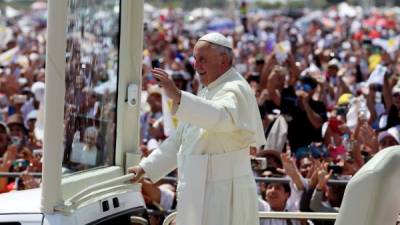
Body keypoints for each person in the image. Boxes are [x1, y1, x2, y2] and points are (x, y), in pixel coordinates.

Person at [128, 32, 266, 225]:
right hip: (198, 191)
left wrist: (177, 95)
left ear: (223, 60)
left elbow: (220, 117)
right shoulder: (207, 90)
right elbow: (180, 140)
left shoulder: (235, 88)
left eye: (202, 59)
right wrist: (144, 167)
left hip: (225, 194)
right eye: (195, 59)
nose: (196, 65)